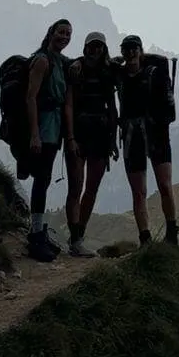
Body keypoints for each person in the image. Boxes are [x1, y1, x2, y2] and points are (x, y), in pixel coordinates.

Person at [116, 34, 179, 245]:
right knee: (141, 191)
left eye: (135, 48)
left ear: (141, 51)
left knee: (163, 185)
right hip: (148, 136)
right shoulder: (122, 73)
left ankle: (169, 233)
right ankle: (146, 237)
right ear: (123, 52)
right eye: (127, 49)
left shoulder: (151, 73)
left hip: (150, 135)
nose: (131, 52)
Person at [64, 30, 119, 257]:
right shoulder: (75, 69)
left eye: (99, 46)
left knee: (91, 189)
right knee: (76, 188)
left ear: (103, 48)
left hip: (100, 137)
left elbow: (113, 109)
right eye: (92, 46)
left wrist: (113, 140)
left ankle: (78, 236)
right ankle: (76, 239)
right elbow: (67, 104)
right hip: (78, 135)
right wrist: (70, 138)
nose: (95, 49)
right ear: (85, 47)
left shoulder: (108, 72)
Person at [23, 17, 72, 262]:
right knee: (41, 179)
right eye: (61, 32)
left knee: (44, 178)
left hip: (53, 129)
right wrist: (34, 134)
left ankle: (39, 231)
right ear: (51, 33)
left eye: (68, 34)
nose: (64, 37)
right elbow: (30, 97)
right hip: (44, 128)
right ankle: (35, 235)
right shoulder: (42, 60)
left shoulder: (60, 61)